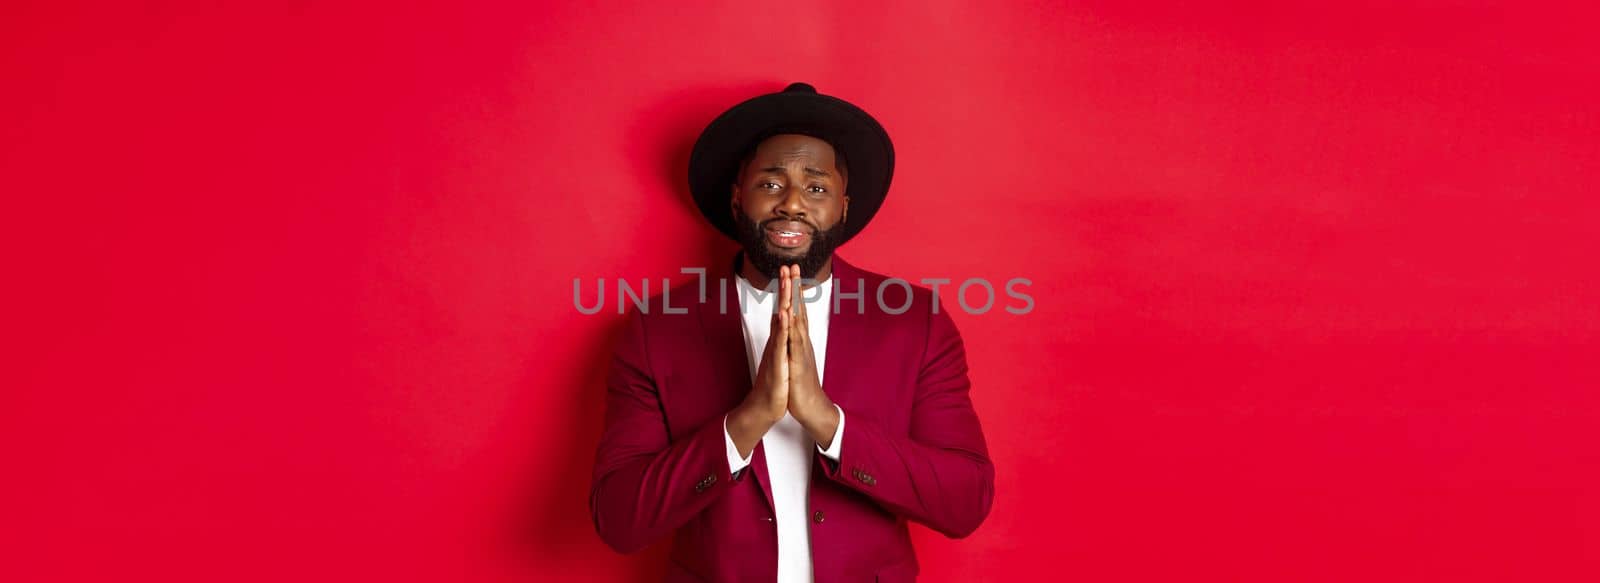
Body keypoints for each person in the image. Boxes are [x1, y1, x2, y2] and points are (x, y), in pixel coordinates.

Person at [589, 82, 995, 583]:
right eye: (771, 183)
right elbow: (620, 520)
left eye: (817, 187)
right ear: (738, 197)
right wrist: (749, 419)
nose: (793, 204)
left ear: (843, 206)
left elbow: (965, 502)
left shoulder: (913, 321)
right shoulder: (658, 329)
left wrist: (827, 421)